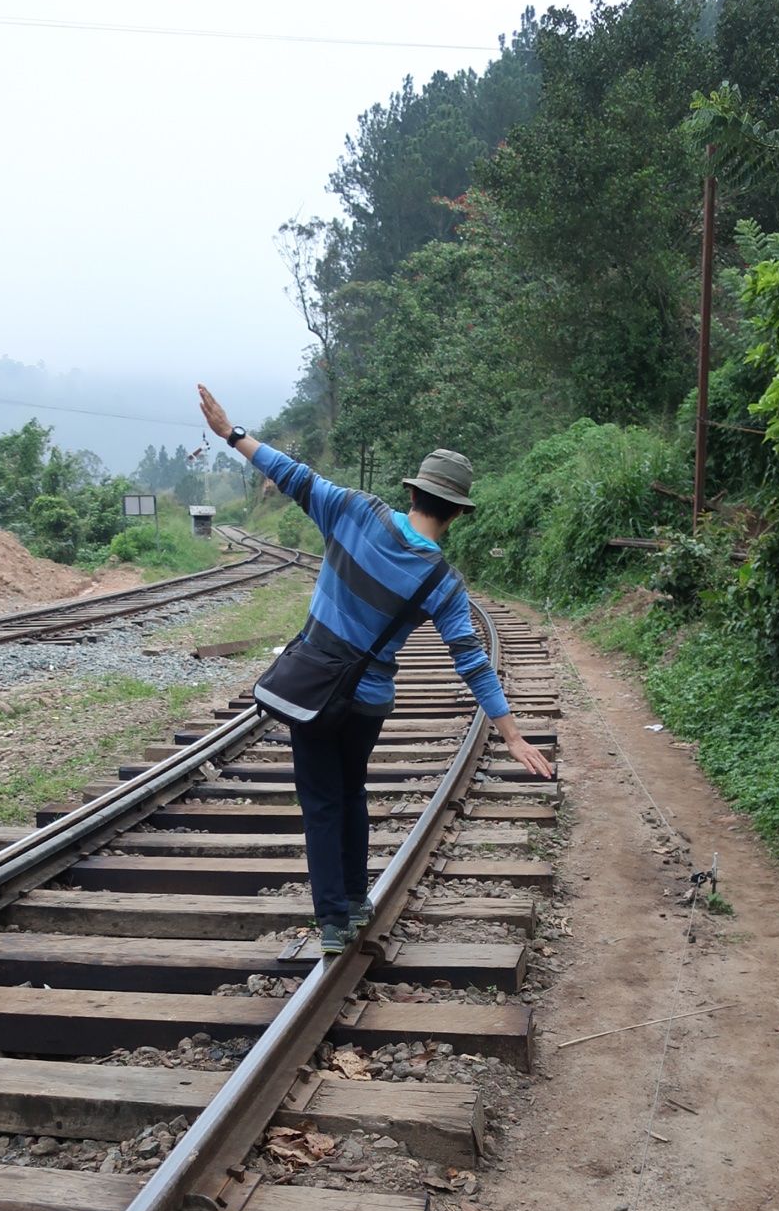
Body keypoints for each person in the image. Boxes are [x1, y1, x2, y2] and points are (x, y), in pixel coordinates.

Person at [197, 384, 553, 952]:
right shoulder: (442, 581)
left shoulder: (355, 511)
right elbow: (471, 660)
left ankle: (334, 920)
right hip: (367, 703)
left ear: (413, 492)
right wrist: (509, 732)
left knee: (321, 800)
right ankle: (357, 899)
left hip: (314, 689)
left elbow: (293, 474)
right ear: (458, 512)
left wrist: (234, 434)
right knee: (352, 789)